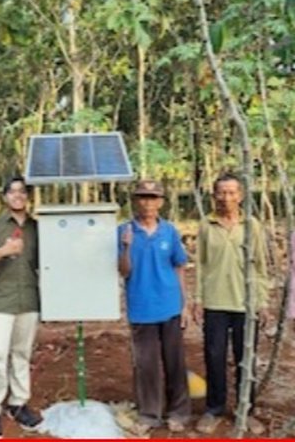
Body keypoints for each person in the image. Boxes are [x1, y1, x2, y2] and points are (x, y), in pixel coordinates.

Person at [193, 173, 269, 435]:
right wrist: (197, 299)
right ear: (213, 195)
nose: (226, 198)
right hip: (215, 302)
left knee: (244, 358)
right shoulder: (206, 224)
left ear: (241, 195)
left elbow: (260, 265)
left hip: (245, 304)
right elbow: (200, 266)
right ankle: (214, 408)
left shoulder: (252, 226)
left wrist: (262, 300)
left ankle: (246, 410)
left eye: (231, 192)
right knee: (214, 356)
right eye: (221, 193)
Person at [118, 179, 191, 434]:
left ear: (161, 201)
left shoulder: (169, 231)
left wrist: (185, 304)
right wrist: (126, 248)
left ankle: (179, 412)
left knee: (175, 362)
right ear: (135, 201)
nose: (148, 202)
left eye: (153, 197)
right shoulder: (124, 231)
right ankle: (149, 414)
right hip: (141, 307)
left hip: (170, 305)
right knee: (146, 364)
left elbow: (179, 265)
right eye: (143, 197)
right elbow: (124, 271)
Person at [0, 175, 42, 439]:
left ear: (28, 196)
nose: (18, 196)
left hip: (29, 300)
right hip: (0, 302)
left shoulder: (37, 228)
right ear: (5, 197)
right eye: (12, 192)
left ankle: (18, 403)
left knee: (21, 354)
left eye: (23, 192)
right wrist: (2, 251)